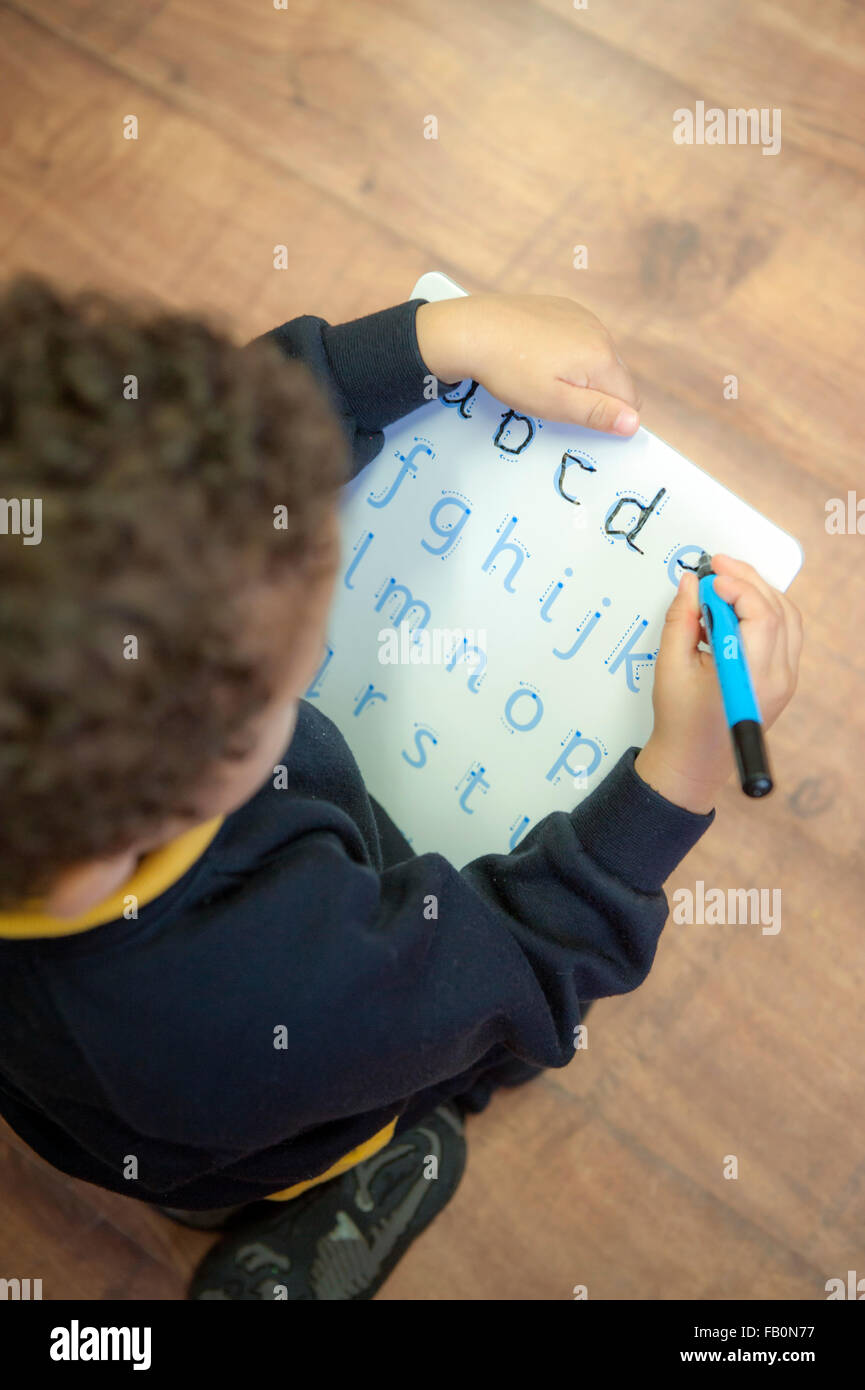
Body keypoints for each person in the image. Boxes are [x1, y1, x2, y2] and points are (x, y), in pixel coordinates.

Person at [0, 278, 801, 1298]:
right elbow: (526, 959)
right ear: (218, 757)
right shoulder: (274, 992)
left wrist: (431, 342)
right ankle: (373, 1166)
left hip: (102, 1094)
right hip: (263, 1102)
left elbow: (176, 455)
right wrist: (676, 779)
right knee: (404, 1084)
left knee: (173, 1137)